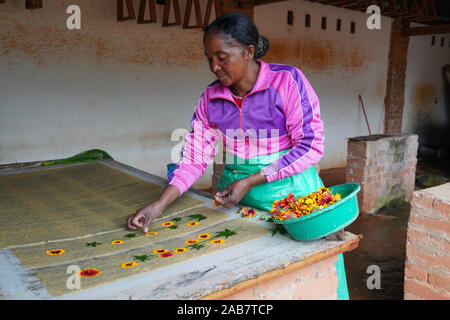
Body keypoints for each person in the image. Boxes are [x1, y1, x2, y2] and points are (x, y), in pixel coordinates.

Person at [127, 12, 349, 299]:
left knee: (301, 277)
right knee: (245, 281)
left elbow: (310, 146)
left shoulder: (286, 82)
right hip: (237, 199)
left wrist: (252, 180)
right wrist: (158, 205)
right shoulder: (211, 98)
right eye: (209, 58)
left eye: (221, 57)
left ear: (248, 51)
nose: (214, 66)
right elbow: (194, 156)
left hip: (294, 197)